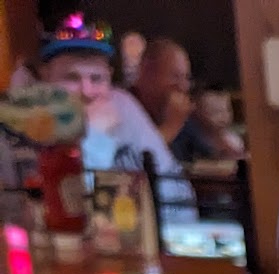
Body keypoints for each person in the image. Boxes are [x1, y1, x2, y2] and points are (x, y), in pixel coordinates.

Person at [35, 14, 191, 205]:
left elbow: (85, 198)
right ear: (46, 79)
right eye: (71, 78)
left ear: (109, 77)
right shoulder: (31, 126)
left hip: (168, 219)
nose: (87, 92)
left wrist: (96, 139)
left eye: (97, 79)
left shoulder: (121, 105)